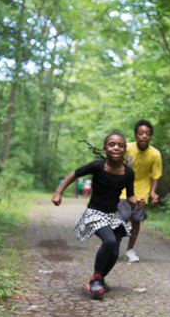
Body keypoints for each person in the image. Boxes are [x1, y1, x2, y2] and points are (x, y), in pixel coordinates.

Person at [52, 132, 145, 298]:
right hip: (94, 213)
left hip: (112, 215)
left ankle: (101, 278)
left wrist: (136, 201)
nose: (116, 147)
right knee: (108, 241)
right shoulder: (97, 166)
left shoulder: (128, 173)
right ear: (105, 149)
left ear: (124, 150)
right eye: (111, 144)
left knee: (115, 251)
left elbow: (130, 195)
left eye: (120, 145)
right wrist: (58, 192)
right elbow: (74, 174)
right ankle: (95, 279)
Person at [117, 119, 163, 263]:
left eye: (147, 134)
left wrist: (153, 192)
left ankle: (130, 250)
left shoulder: (155, 154)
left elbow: (155, 176)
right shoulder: (126, 148)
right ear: (136, 135)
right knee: (121, 219)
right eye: (141, 133)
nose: (144, 136)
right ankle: (113, 246)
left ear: (150, 136)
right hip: (123, 191)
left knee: (136, 221)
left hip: (141, 192)